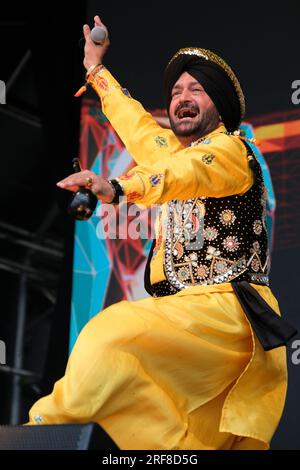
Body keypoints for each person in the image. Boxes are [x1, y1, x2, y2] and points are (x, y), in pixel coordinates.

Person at [27, 16, 296, 450]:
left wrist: (117, 187)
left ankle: (43, 434)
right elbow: (139, 128)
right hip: (196, 323)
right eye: (175, 92)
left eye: (196, 90)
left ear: (221, 106)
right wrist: (96, 70)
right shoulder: (173, 152)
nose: (182, 98)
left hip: (227, 314)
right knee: (191, 434)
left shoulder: (230, 151)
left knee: (108, 333)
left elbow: (181, 172)